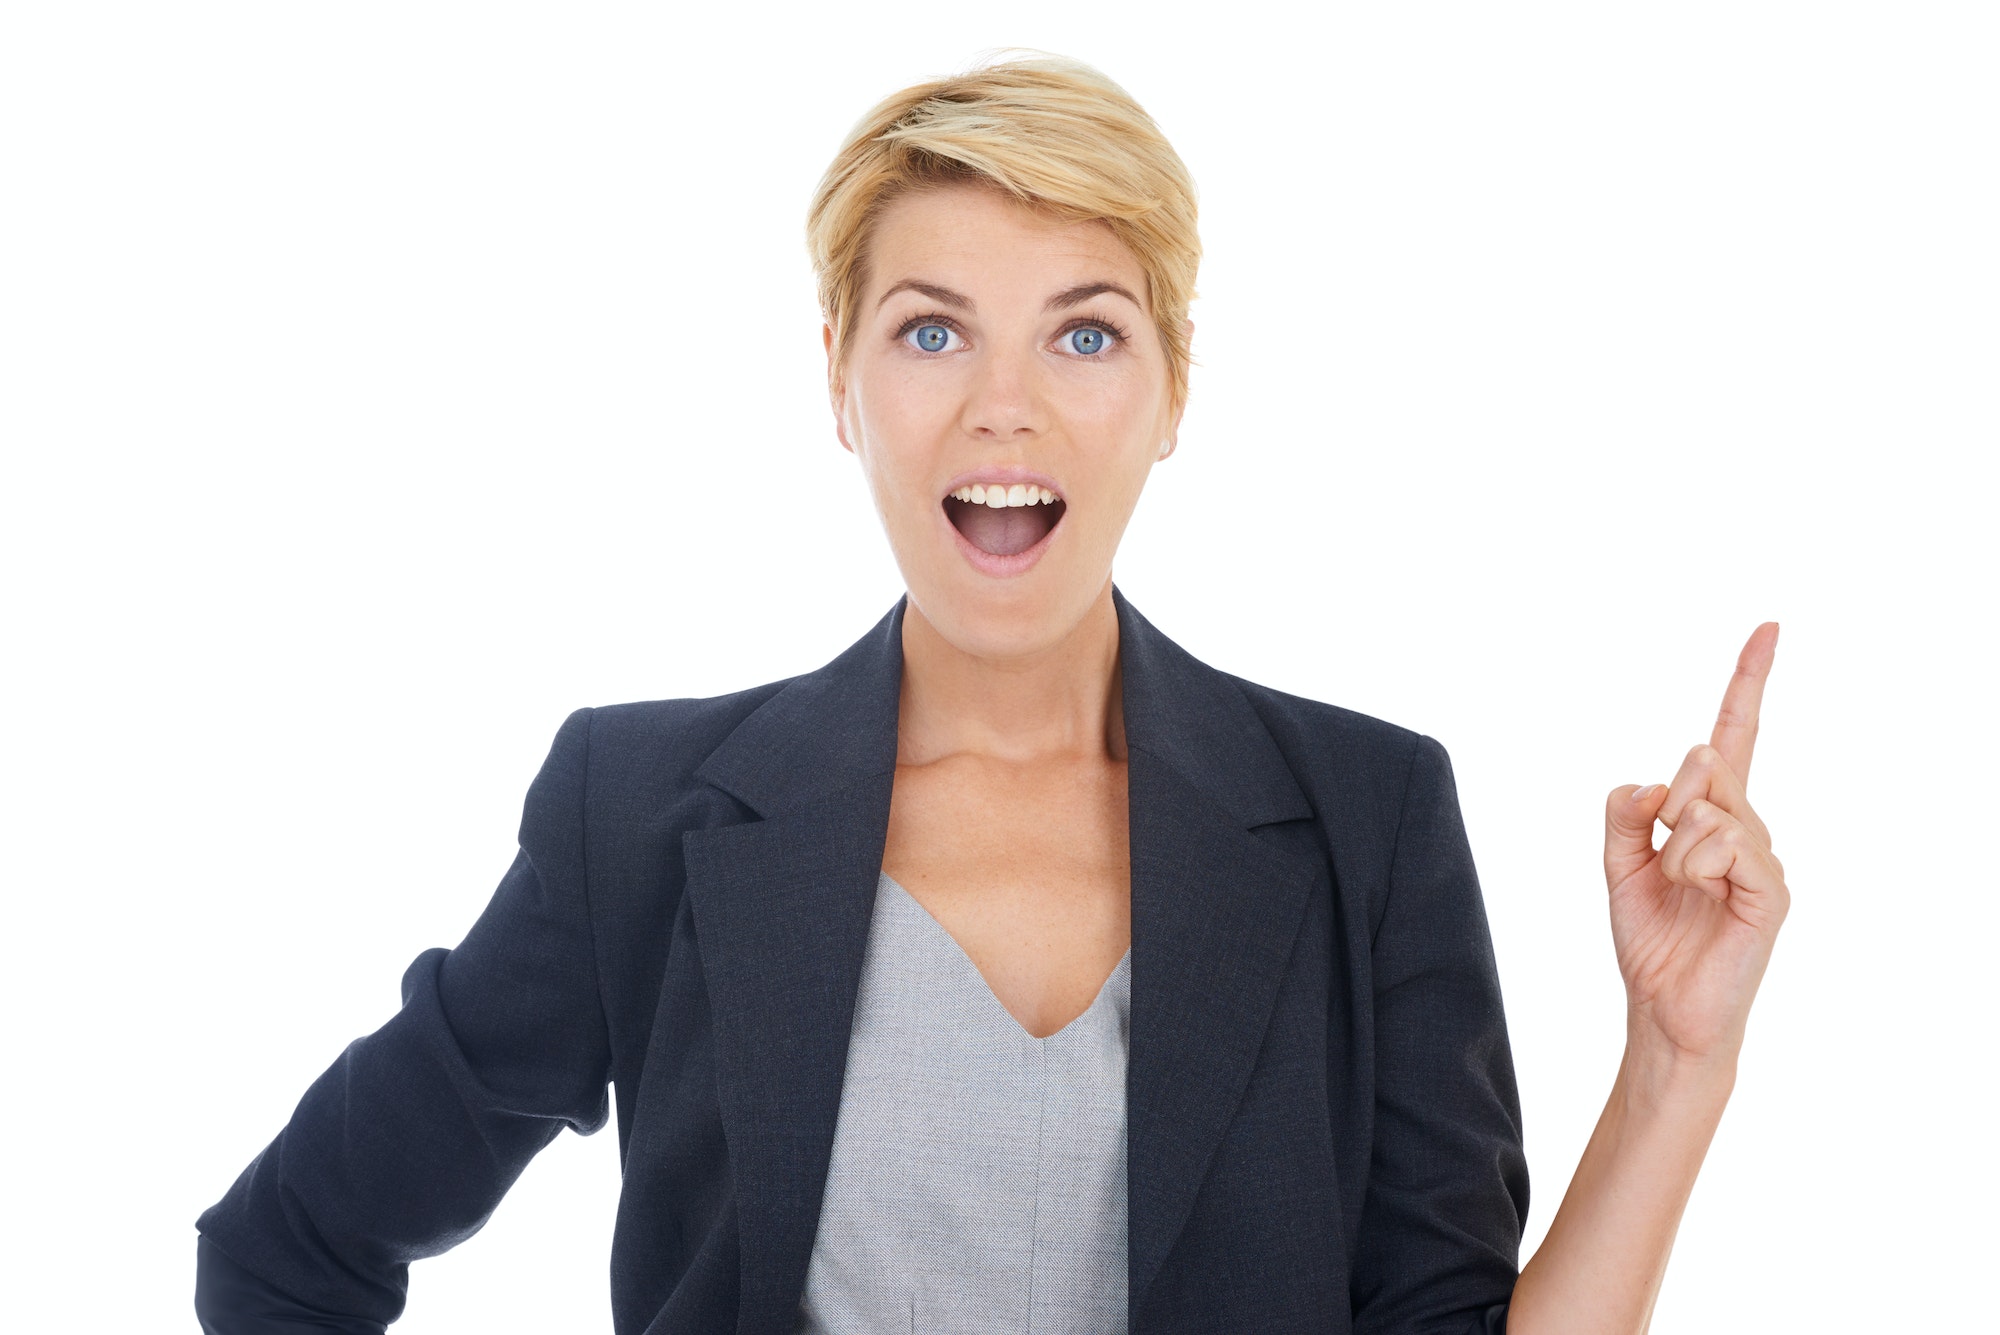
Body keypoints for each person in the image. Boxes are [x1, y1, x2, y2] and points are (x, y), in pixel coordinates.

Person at [193, 52, 1790, 1334]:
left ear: (1172, 391)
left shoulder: (1364, 820)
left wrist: (1675, 1062)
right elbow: (287, 1257)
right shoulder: (647, 815)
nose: (1004, 408)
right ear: (839, 381)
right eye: (934, 329)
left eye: (1084, 334)